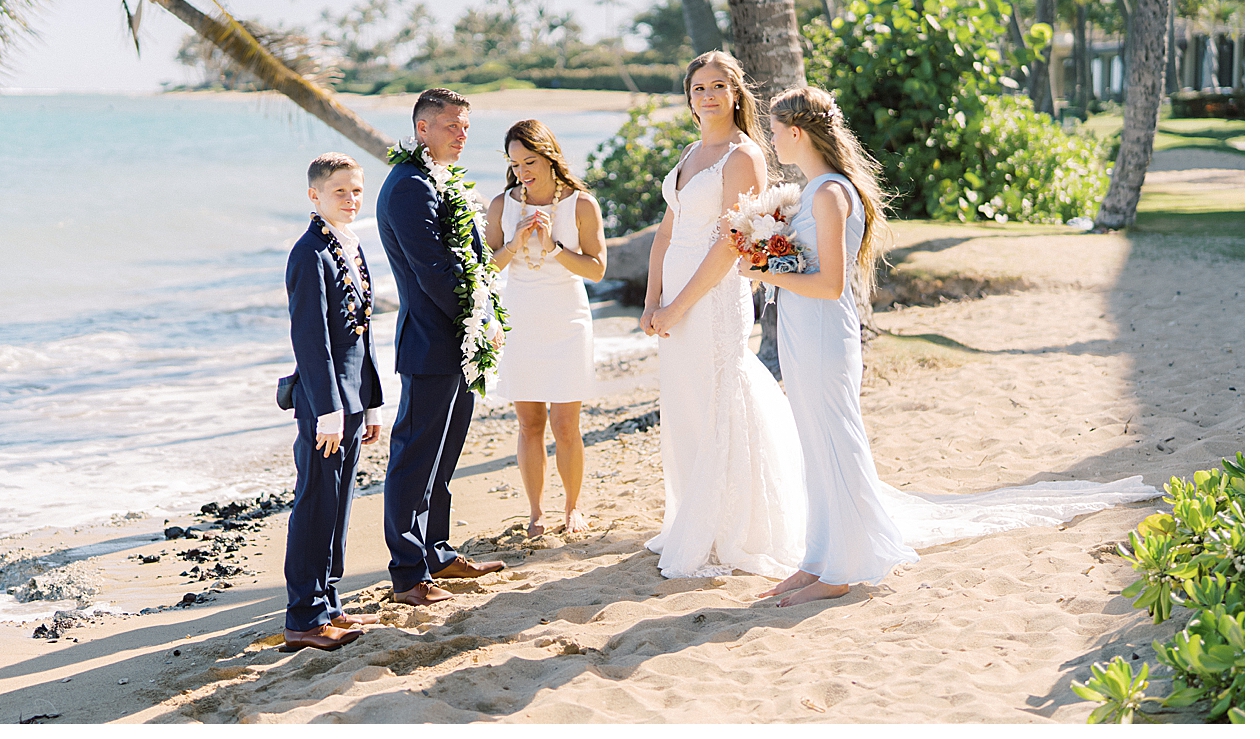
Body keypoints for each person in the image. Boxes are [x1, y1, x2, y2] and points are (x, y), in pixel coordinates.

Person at [745, 84, 1157, 607]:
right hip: (806, 333)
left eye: (777, 132)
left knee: (835, 443)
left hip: (824, 331)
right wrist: (772, 260)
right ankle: (817, 558)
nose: (774, 141)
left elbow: (828, 283)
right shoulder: (814, 190)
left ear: (797, 132)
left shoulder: (828, 193)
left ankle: (844, 568)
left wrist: (765, 271)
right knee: (814, 443)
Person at [642, 51, 808, 579]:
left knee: (720, 394)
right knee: (687, 401)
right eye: (698, 88)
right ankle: (694, 514)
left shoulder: (743, 156)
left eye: (718, 86)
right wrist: (652, 301)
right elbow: (666, 233)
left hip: (710, 297)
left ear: (735, 93)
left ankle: (734, 526)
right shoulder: (692, 151)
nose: (708, 96)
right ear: (688, 97)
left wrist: (678, 305)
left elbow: (732, 244)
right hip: (673, 297)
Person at [377, 88, 506, 607]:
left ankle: (438, 551)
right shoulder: (410, 186)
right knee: (415, 456)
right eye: (451, 126)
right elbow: (436, 272)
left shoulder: (441, 180)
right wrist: (479, 322)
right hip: (432, 342)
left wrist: (484, 324)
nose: (461, 135)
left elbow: (469, 263)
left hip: (459, 342)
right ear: (422, 129)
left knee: (445, 453)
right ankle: (408, 573)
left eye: (466, 127)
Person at [281, 153, 384, 651]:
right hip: (325, 408)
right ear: (314, 197)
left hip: (353, 403)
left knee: (339, 508)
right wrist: (327, 411)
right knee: (316, 505)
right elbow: (312, 340)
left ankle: (328, 603)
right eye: (340, 191)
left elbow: (361, 335)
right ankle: (303, 617)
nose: (351, 200)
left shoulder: (351, 244)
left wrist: (373, 403)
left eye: (357, 191)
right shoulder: (309, 253)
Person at [487, 119, 607, 538]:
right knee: (529, 423)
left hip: (567, 320)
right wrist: (515, 243)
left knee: (565, 425)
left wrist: (555, 247)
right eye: (516, 163)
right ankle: (536, 512)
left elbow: (596, 269)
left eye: (530, 161)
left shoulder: (581, 205)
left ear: (550, 155)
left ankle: (573, 507)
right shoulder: (503, 204)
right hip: (520, 318)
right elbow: (484, 271)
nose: (523, 171)